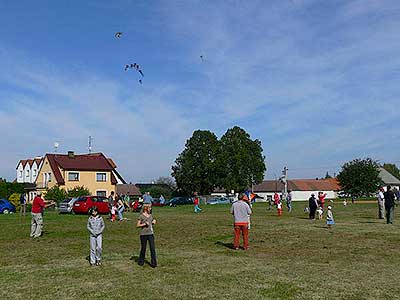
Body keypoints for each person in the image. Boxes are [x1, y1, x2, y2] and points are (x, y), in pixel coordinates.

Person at [137, 203, 157, 268]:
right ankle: (141, 262)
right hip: (143, 234)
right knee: (143, 248)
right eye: (150, 208)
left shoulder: (151, 216)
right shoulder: (141, 216)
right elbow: (137, 225)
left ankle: (154, 263)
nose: (150, 209)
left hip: (151, 234)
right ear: (146, 208)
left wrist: (154, 222)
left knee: (152, 248)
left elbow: (151, 222)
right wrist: (145, 224)